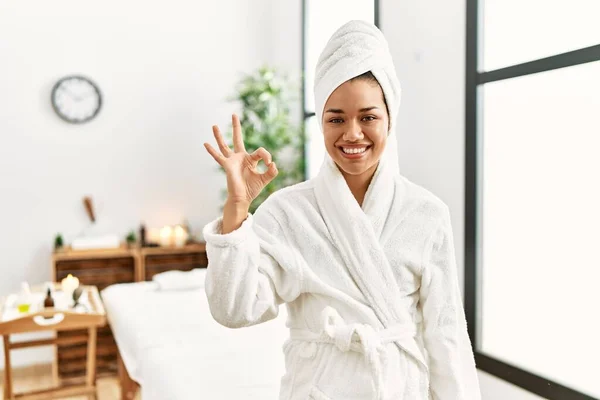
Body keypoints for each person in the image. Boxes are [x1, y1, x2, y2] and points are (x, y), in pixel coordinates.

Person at [202, 20, 481, 400]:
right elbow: (234, 308)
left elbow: (445, 333)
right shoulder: (288, 212)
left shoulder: (427, 213)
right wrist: (237, 207)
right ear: (321, 122)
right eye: (336, 118)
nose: (352, 133)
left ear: (389, 119)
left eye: (368, 117)